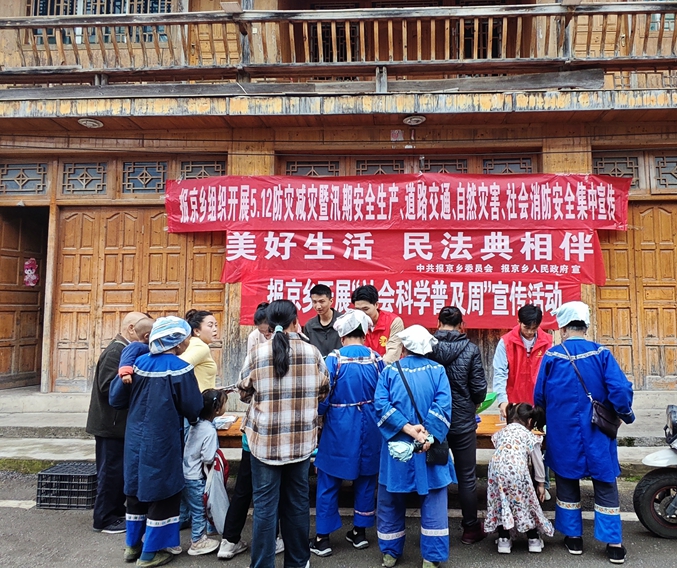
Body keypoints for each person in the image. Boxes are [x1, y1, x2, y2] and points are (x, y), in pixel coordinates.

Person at [534, 301, 635, 565]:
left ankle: (574, 538)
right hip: (597, 429)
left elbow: (539, 396)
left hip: (563, 431)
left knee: (567, 480)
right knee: (605, 481)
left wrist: (542, 424)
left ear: (563, 329)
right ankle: (614, 544)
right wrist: (625, 414)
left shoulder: (552, 356)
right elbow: (619, 389)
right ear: (586, 327)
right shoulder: (601, 354)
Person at [237, 299, 330, 568]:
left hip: (264, 444)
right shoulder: (313, 353)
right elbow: (324, 390)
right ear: (295, 321)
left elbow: (243, 392)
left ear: (269, 323)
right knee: (298, 504)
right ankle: (298, 563)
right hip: (301, 443)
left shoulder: (258, 353)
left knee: (265, 508)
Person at [109, 316, 204, 568]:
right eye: (186, 338)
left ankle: (132, 546)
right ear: (177, 341)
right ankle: (151, 553)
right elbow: (193, 407)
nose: (187, 342)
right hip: (163, 440)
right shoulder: (180, 368)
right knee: (162, 493)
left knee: (136, 490)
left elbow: (116, 399)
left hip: (135, 440)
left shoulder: (137, 364)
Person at [374, 325, 456, 568]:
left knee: (390, 500)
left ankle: (390, 553)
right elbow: (443, 406)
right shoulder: (438, 371)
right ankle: (431, 557)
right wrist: (426, 436)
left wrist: (408, 429)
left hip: (397, 445)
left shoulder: (389, 371)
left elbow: (381, 405)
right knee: (434, 500)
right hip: (428, 446)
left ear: (404, 347)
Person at [310, 310, 384, 557]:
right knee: (366, 478)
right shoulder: (376, 359)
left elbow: (322, 398)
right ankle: (359, 533)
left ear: (342, 336)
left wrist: (319, 417)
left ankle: (322, 538)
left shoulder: (334, 360)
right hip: (371, 425)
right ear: (364, 334)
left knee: (329, 480)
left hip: (339, 427)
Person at [427, 306, 487, 545]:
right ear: (462, 325)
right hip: (462, 422)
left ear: (438, 323)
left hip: (434, 422)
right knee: (467, 477)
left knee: (433, 473)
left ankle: (433, 527)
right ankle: (470, 529)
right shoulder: (471, 349)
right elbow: (479, 390)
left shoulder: (428, 348)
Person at [86, 310, 147, 534]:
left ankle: (116, 511)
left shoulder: (125, 350)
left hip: (119, 425)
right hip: (110, 425)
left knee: (119, 471)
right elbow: (106, 387)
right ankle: (104, 519)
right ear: (131, 329)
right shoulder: (115, 351)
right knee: (110, 472)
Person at [484, 402, 554, 554]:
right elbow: (538, 461)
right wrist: (541, 484)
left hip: (496, 471)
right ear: (530, 421)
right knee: (525, 502)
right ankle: (533, 539)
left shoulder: (502, 432)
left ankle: (503, 539)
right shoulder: (530, 436)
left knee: (501, 502)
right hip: (518, 472)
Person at [182, 389, 227, 556]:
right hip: (196, 477)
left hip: (185, 472)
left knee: (193, 507)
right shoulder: (209, 430)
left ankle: (204, 532)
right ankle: (197, 541)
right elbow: (208, 457)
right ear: (217, 409)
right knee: (199, 510)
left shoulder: (196, 424)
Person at [493, 304, 552, 417]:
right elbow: (500, 373)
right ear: (518, 321)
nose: (530, 332)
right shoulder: (506, 342)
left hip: (539, 404)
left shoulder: (548, 343)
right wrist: (502, 401)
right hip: (513, 404)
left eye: (534, 328)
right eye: (526, 327)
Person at [351, 284, 404, 364]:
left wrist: (374, 368)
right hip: (363, 368)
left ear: (376, 305)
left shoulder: (394, 322)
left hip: (389, 369)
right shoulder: (353, 323)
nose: (362, 314)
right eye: (358, 310)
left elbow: (393, 355)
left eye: (365, 309)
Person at [181, 309, 219, 392]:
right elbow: (180, 366)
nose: (215, 329)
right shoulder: (201, 347)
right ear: (197, 331)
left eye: (216, 325)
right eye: (210, 325)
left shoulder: (191, 343)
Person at [303, 284, 343, 357]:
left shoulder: (343, 321)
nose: (318, 306)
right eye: (314, 302)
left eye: (322, 301)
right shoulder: (309, 326)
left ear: (331, 301)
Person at [118, 317, 154, 384]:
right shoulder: (135, 346)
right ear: (147, 336)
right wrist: (125, 373)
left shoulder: (151, 346)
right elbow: (126, 357)